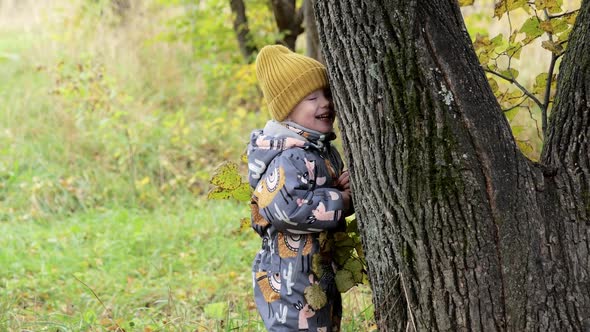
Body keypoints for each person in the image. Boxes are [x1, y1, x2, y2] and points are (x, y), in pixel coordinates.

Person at [247, 44, 352, 331]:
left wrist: (347, 191)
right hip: (288, 281)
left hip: (316, 273)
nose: (325, 103)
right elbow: (288, 209)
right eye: (311, 98)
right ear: (287, 109)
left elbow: (327, 198)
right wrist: (340, 200)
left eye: (327, 94)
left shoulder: (319, 149)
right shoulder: (289, 157)